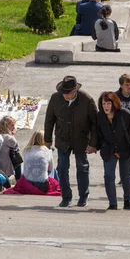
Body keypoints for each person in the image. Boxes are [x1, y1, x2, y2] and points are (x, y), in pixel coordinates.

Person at [44, 76, 98, 208]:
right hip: (62, 138)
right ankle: (66, 196)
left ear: (75, 91)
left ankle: (83, 196)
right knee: (62, 168)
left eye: (68, 93)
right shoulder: (55, 98)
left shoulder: (87, 100)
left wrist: (93, 143)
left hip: (80, 138)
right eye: (64, 93)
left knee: (82, 168)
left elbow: (95, 124)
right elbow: (49, 120)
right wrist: (47, 139)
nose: (66, 96)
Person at [97, 92, 130, 210]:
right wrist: (94, 146)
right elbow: (97, 134)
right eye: (103, 103)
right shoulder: (100, 116)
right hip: (109, 150)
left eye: (108, 103)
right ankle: (112, 203)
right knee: (109, 176)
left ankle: (127, 201)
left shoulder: (125, 114)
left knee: (126, 176)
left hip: (126, 149)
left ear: (114, 104)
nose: (106, 106)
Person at [4, 130, 62, 195]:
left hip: (26, 184)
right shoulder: (47, 151)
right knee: (54, 170)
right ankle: (60, 186)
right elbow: (50, 169)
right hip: (42, 186)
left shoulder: (27, 150)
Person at [0, 115, 22, 180]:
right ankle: (19, 180)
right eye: (12, 125)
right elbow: (16, 147)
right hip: (4, 167)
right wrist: (12, 135)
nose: (14, 127)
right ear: (6, 126)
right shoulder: (8, 138)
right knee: (18, 159)